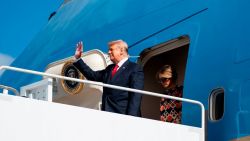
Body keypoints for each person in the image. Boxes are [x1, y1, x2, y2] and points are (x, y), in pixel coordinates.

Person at [73, 40, 144, 117]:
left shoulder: (134, 69)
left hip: (123, 116)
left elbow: (135, 96)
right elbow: (92, 75)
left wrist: (131, 118)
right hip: (107, 115)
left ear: (121, 51)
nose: (109, 52)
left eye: (111, 49)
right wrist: (78, 59)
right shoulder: (110, 69)